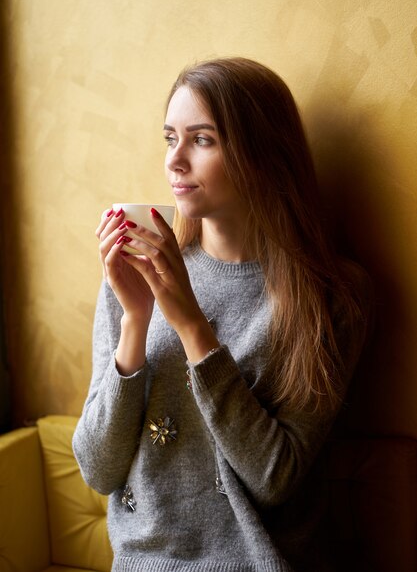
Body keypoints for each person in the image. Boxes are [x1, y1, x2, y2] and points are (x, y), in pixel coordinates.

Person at [73, 57, 372, 572]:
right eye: (170, 139)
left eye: (202, 140)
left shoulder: (333, 297)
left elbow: (275, 478)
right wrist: (134, 324)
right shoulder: (136, 275)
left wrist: (192, 326)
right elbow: (99, 470)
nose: (175, 161)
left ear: (263, 154)